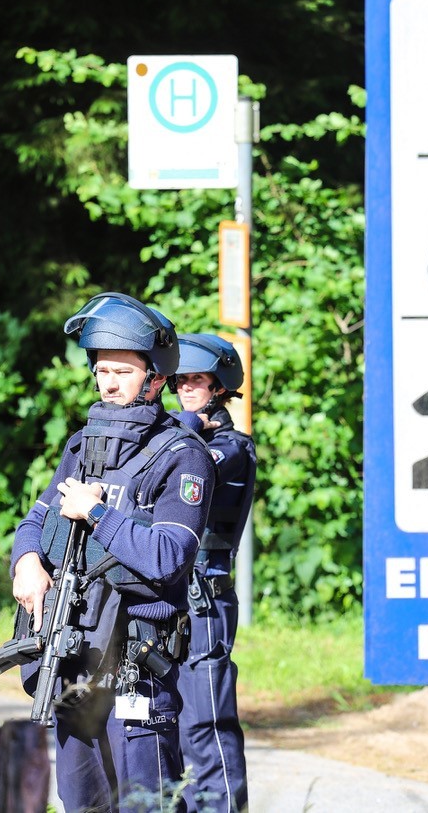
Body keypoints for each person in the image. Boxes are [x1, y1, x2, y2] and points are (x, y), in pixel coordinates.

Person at [9, 292, 215, 813]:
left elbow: (170, 556)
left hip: (135, 666)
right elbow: (36, 520)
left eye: (123, 370)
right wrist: (26, 562)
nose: (109, 382)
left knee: (145, 803)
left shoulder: (182, 456)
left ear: (155, 378)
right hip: (74, 653)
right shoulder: (83, 445)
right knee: (81, 800)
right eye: (102, 369)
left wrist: (99, 515)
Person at [169, 334, 257, 813]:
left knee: (207, 724)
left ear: (220, 387)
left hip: (205, 605)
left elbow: (192, 466)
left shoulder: (229, 449)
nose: (185, 389)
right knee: (163, 724)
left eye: (196, 381)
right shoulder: (182, 436)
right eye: (179, 381)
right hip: (165, 598)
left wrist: (182, 426)